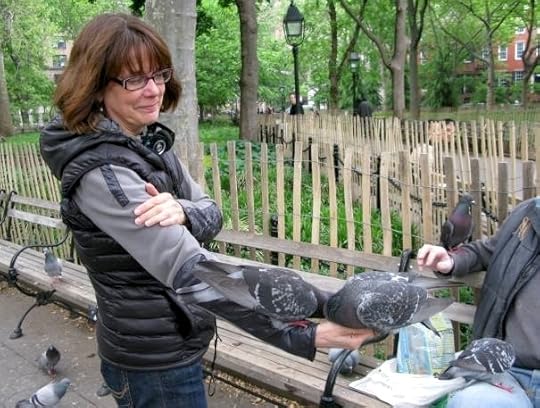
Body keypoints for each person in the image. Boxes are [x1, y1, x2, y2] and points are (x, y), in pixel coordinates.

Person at [39, 13, 374, 407]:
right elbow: (192, 271)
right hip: (153, 361)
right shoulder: (103, 172)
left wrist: (183, 210)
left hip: (177, 339)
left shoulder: (144, 145)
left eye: (159, 75)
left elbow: (212, 213)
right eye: (134, 79)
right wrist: (301, 331)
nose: (153, 90)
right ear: (96, 86)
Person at [417, 197, 540, 408]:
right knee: (470, 403)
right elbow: (489, 250)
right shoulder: (529, 213)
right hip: (507, 372)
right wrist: (452, 260)